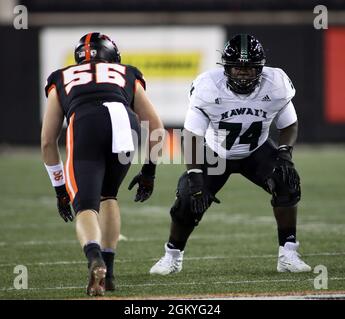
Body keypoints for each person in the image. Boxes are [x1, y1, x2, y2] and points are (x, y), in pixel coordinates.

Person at [150, 34, 311, 276]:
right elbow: (192, 135)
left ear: (260, 67)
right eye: (238, 67)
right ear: (226, 67)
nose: (243, 73)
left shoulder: (275, 83)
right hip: (216, 154)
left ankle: (288, 253)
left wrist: (284, 154)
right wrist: (194, 175)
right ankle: (172, 255)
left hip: (256, 150)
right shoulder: (207, 86)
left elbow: (289, 124)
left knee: (286, 179)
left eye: (249, 68)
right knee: (187, 196)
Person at [41, 32, 164, 296]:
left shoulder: (61, 76)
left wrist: (60, 189)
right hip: (123, 122)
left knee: (85, 205)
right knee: (108, 195)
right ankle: (109, 272)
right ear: (112, 56)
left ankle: (94, 257)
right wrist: (149, 171)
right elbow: (156, 127)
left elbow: (48, 141)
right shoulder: (126, 72)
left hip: (86, 122)